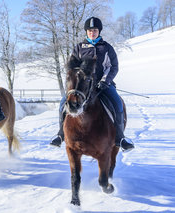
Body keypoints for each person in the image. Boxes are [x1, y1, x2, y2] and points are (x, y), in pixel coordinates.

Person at [50, 17, 135, 151]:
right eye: (90, 31)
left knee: (117, 103)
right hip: (82, 88)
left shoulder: (106, 48)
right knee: (62, 104)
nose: (92, 33)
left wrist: (104, 81)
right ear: (86, 32)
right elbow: (73, 67)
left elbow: (113, 67)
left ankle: (120, 137)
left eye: (95, 30)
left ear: (99, 31)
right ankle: (61, 134)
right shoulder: (79, 47)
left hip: (103, 85)